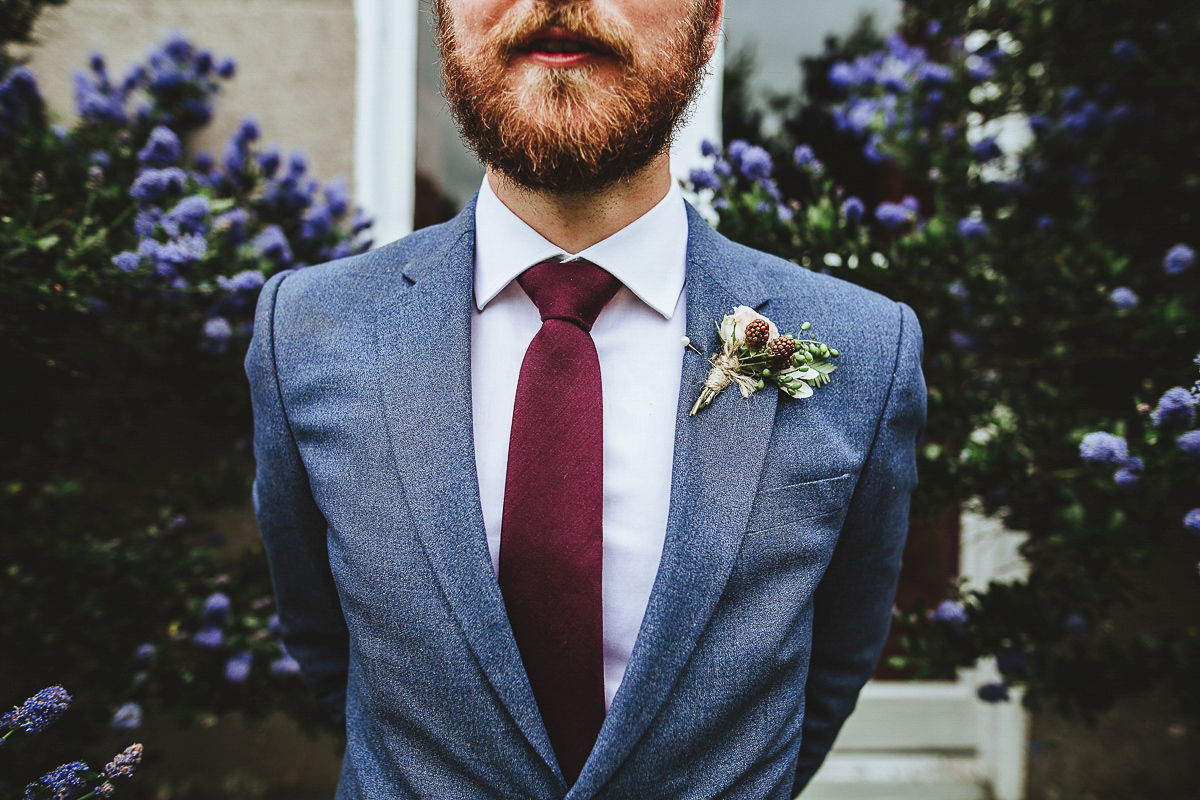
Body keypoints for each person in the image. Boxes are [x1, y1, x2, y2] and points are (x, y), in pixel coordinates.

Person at [245, 0, 925, 797]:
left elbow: (834, 661)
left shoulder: (868, 352)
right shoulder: (307, 334)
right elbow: (328, 645)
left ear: (710, 22)